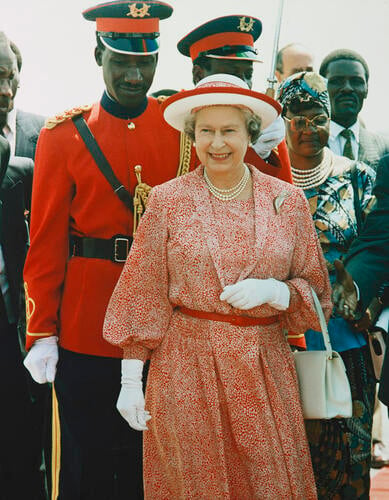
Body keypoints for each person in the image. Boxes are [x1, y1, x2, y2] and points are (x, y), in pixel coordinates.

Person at [103, 73, 332, 499]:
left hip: (263, 369)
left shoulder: (287, 201)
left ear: (250, 132)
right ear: (193, 135)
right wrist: (130, 379)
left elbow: (318, 296)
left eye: (229, 130)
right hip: (186, 371)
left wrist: (279, 292)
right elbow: (143, 290)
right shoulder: (168, 200)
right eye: (206, 131)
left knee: (269, 485)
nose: (218, 143)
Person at [21, 1, 186, 498]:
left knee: (155, 470)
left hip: (165, 328)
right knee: (85, 468)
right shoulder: (63, 136)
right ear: (98, 55)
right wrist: (40, 330)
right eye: (122, 61)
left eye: (146, 61)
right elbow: (46, 242)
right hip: (87, 330)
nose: (136, 74)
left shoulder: (183, 129)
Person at [278, 71, 377, 498]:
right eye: (296, 118)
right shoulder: (266, 179)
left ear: (329, 117)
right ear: (282, 120)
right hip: (282, 346)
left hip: (347, 346)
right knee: (287, 463)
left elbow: (380, 249)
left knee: (349, 466)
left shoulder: (358, 178)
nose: (307, 128)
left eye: (317, 117)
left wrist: (369, 301)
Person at [176, 15, 293, 184]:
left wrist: (260, 154)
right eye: (232, 74)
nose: (243, 84)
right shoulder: (175, 124)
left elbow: (283, 202)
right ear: (198, 74)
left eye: (248, 75)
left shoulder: (266, 127)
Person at [319, 49, 389, 170]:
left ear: (367, 89)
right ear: (321, 87)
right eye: (337, 81)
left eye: (356, 81)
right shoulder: (305, 144)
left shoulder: (385, 148)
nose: (347, 88)